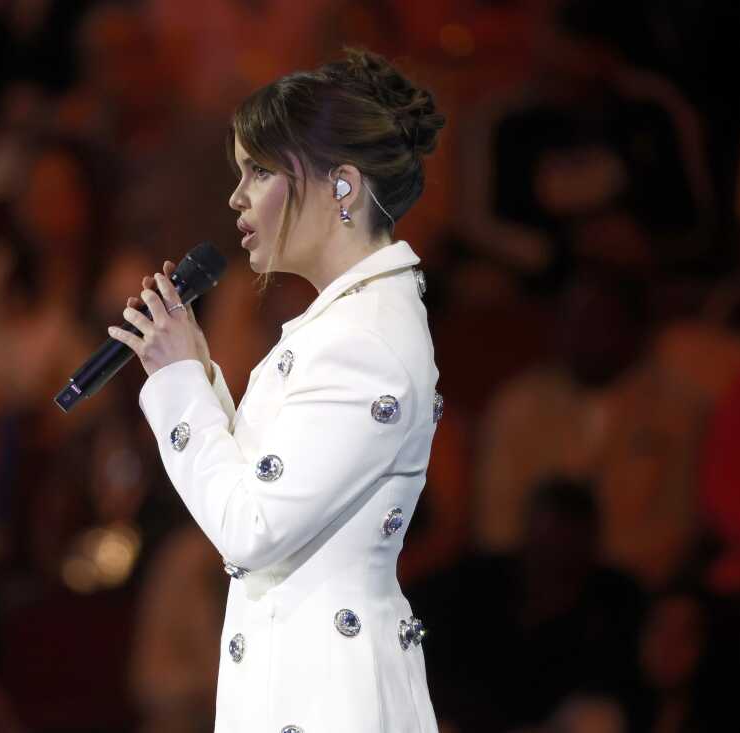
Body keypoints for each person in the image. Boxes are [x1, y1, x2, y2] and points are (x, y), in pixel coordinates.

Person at [106, 48, 446, 732]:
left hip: (332, 704)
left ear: (342, 187)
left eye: (258, 171)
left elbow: (252, 529)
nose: (236, 197)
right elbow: (266, 490)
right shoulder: (343, 323)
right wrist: (198, 373)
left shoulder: (364, 342)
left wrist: (178, 386)